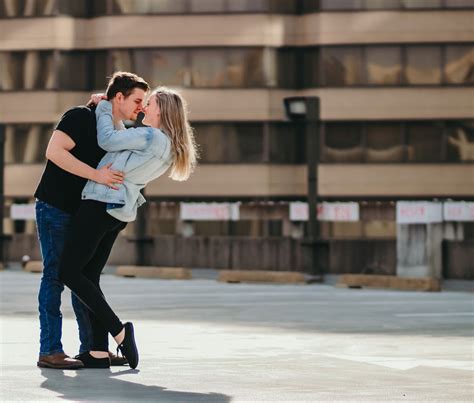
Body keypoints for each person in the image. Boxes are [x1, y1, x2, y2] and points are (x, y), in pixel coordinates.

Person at [58, 86, 198, 369]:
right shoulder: (165, 144)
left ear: (162, 111)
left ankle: (119, 331)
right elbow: (124, 144)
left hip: (100, 203)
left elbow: (108, 140)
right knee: (90, 276)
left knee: (69, 272)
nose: (144, 107)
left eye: (150, 103)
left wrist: (104, 107)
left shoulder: (151, 136)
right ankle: (98, 351)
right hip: (117, 211)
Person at [35, 71, 150, 369]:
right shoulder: (79, 116)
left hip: (85, 212)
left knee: (83, 277)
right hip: (55, 206)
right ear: (119, 97)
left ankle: (92, 349)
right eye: (138, 100)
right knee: (56, 276)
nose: (141, 107)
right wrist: (97, 175)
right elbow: (54, 152)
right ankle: (50, 350)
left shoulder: (118, 132)